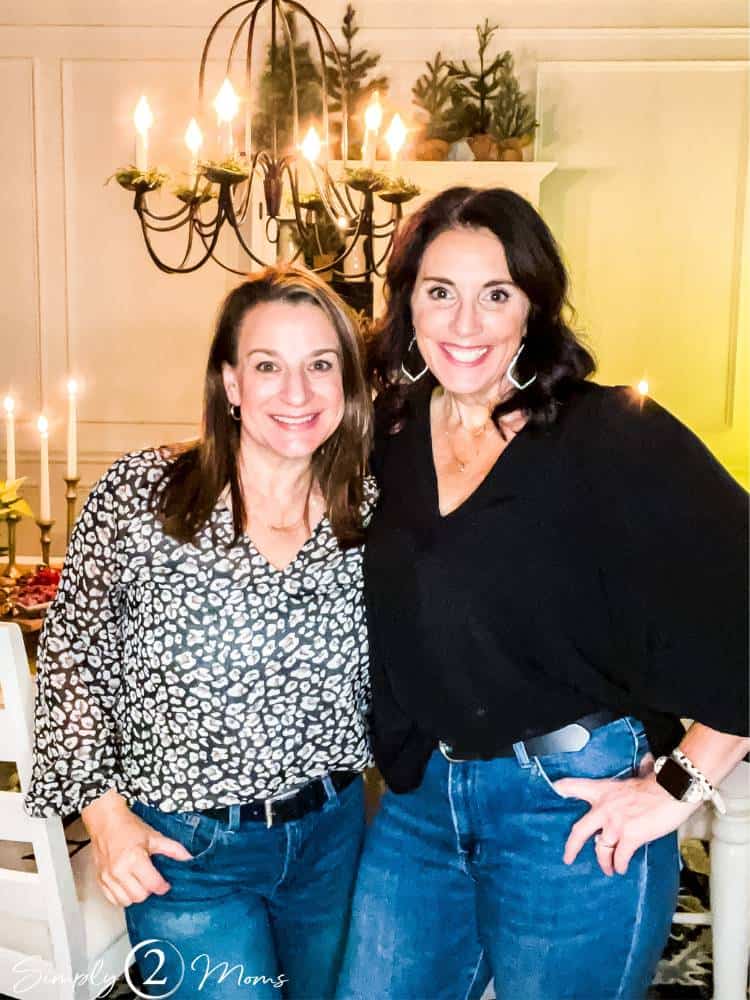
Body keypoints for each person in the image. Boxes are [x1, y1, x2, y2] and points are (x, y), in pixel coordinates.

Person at [337, 187, 749, 1000]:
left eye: (496, 294)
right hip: (420, 805)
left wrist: (680, 785)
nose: (465, 324)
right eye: (440, 293)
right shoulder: (385, 434)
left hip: (570, 809)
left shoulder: (609, 433)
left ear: (534, 306)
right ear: (408, 305)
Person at [27, 267, 375, 999]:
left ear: (347, 384)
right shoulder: (144, 494)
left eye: (321, 365)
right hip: (186, 853)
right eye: (267, 366)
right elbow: (71, 658)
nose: (298, 391)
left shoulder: (370, 511)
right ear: (230, 384)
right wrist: (105, 814)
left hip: (332, 838)